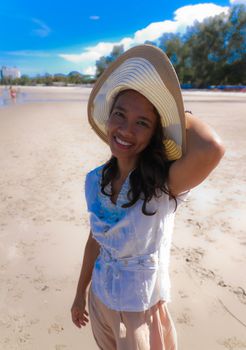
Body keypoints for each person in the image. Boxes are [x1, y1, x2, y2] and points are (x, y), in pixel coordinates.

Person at [71, 45, 225, 349]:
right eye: (120, 115)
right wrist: (80, 295)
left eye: (142, 123)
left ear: (155, 133)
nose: (126, 130)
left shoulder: (163, 185)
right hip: (100, 299)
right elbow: (94, 240)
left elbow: (211, 149)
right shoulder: (94, 181)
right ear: (108, 120)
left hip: (140, 311)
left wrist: (176, 115)